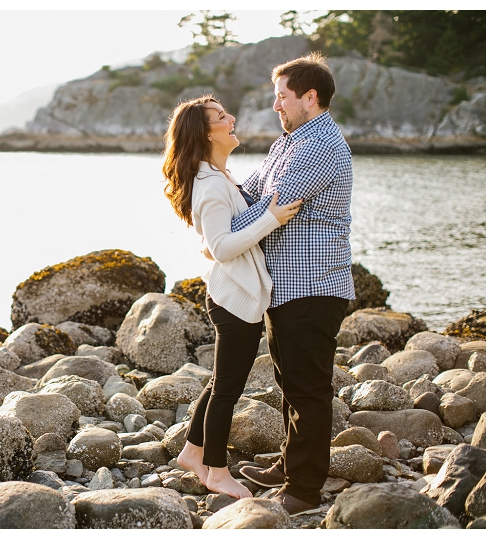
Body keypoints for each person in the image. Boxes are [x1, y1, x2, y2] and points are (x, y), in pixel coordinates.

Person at [231, 53, 355, 517]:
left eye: (282, 96)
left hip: (313, 285)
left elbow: (270, 209)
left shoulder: (319, 144)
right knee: (290, 382)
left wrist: (220, 235)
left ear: (310, 97)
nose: (276, 104)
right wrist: (209, 188)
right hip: (286, 286)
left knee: (308, 388)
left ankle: (303, 490)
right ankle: (290, 463)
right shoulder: (290, 141)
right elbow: (252, 191)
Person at [161, 95, 302, 498]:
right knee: (228, 389)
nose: (232, 119)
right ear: (206, 133)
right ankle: (217, 471)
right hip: (233, 297)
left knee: (222, 381)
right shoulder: (209, 185)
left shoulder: (216, 177)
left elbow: (213, 240)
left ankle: (192, 449)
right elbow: (222, 247)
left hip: (233, 294)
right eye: (222, 117)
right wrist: (271, 219)